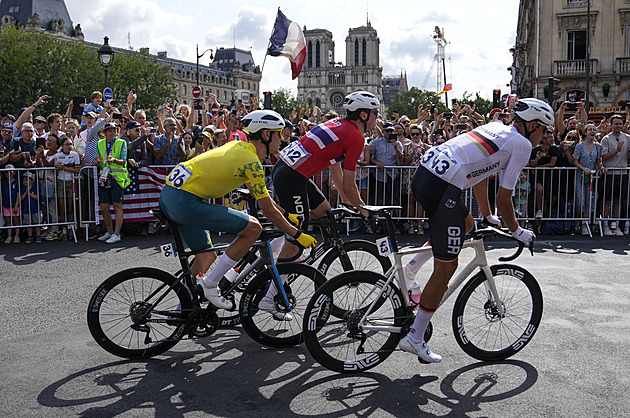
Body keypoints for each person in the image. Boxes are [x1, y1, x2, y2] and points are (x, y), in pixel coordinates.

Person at [399, 98, 553, 363]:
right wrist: (518, 232)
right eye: (545, 130)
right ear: (532, 125)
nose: (545, 136)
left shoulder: (495, 127)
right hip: (443, 186)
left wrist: (486, 215)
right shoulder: (522, 144)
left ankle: (410, 269)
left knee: (467, 225)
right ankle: (414, 337)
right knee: (446, 269)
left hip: (426, 173)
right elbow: (506, 198)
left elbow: (481, 174)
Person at [158, 109, 316, 315]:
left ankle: (185, 310)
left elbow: (263, 197)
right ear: (267, 135)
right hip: (184, 200)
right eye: (280, 134)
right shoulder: (251, 162)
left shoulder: (239, 147)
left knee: (206, 257)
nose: (283, 139)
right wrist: (296, 234)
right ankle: (211, 284)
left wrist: (286, 215)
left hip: (171, 194)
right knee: (252, 229)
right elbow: (266, 208)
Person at [272, 90, 378, 259]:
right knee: (296, 243)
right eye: (376, 114)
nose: (377, 118)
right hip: (293, 176)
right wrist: (364, 209)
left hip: (288, 170)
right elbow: (350, 185)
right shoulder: (355, 136)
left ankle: (276, 243)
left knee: (323, 211)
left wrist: (344, 198)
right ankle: (275, 284)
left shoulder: (338, 123)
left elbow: (335, 166)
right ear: (364, 115)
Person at [566, 124, 606, 235]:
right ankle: (579, 222)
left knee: (591, 199)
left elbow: (599, 161)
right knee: (580, 199)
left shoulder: (598, 147)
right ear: (585, 132)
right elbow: (575, 161)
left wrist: (602, 167)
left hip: (593, 177)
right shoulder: (580, 146)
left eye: (594, 130)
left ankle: (585, 223)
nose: (592, 131)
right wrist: (584, 169)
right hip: (581, 175)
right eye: (590, 130)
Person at [94, 122, 130, 244]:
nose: (112, 133)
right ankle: (109, 231)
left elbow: (124, 161)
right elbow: (96, 160)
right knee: (104, 208)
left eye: (113, 130)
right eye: (109, 131)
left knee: (117, 205)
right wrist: (97, 161)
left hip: (117, 177)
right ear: (104, 133)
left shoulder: (121, 142)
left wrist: (114, 160)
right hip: (104, 177)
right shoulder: (99, 144)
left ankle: (117, 233)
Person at [600, 114, 630, 236]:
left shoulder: (627, 137)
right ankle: (606, 225)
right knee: (607, 200)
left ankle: (616, 225)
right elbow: (604, 157)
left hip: (622, 173)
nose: (618, 126)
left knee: (618, 200)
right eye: (616, 124)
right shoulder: (606, 139)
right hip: (609, 173)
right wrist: (617, 150)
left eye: (620, 123)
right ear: (611, 125)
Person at [528, 128, 559, 219]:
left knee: (548, 198)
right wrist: (537, 159)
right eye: (549, 137)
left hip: (550, 176)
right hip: (537, 176)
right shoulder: (535, 150)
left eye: (552, 137)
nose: (552, 139)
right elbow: (532, 164)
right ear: (543, 139)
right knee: (539, 189)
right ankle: (539, 210)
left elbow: (552, 164)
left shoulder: (554, 149)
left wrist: (537, 167)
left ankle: (545, 217)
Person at [20, 171, 41, 243]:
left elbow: (37, 197)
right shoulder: (22, 189)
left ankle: (38, 236)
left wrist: (30, 194)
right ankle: (30, 236)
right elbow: (21, 198)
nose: (25, 182)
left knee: (37, 223)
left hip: (35, 208)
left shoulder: (35, 188)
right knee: (28, 223)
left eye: (27, 180)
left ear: (32, 181)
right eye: (24, 180)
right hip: (26, 209)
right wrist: (26, 193)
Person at [1, 164, 21, 243]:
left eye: (11, 172)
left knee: (16, 221)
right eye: (6, 172)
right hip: (6, 205)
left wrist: (16, 205)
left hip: (14, 204)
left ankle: (17, 235)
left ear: (14, 173)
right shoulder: (3, 183)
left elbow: (18, 195)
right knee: (8, 222)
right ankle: (9, 236)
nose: (8, 174)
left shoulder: (16, 182)